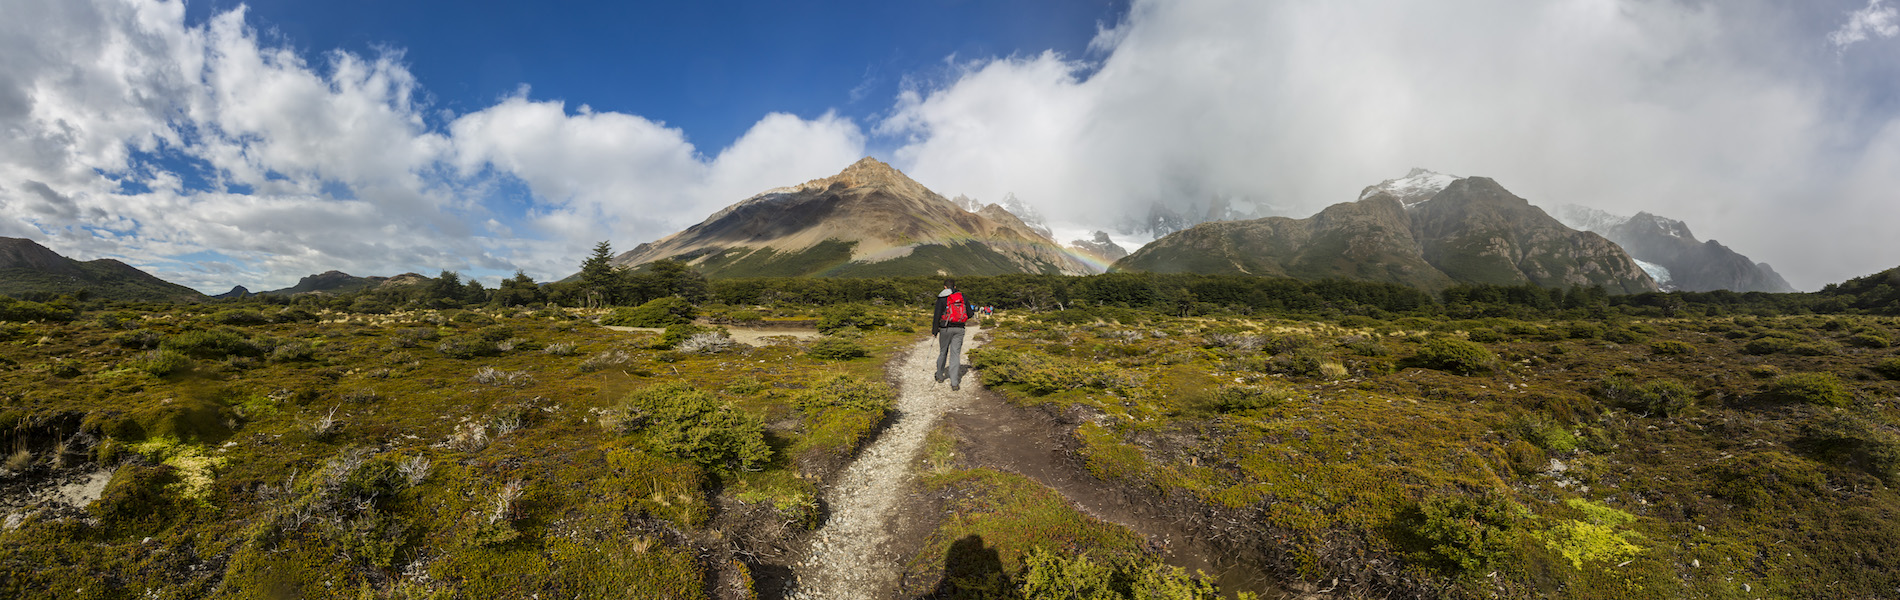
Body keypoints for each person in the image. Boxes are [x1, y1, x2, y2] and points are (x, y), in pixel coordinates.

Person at [932, 278, 977, 390]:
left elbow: (936, 315)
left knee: (943, 352)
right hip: (959, 329)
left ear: (945, 287)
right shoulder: (962, 297)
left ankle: (940, 375)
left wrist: (934, 330)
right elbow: (970, 313)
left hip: (945, 328)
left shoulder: (942, 297)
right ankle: (954, 382)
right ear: (955, 287)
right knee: (955, 354)